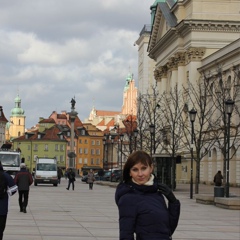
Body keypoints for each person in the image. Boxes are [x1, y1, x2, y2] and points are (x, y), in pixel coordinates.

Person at [115, 150, 180, 240]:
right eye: (135, 170)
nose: (140, 174)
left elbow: (167, 229)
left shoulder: (156, 194)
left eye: (144, 168)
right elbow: (126, 235)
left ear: (151, 168)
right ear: (130, 172)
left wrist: (173, 202)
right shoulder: (128, 198)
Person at [0, 162, 18, 240]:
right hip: (2, 207)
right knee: (1, 228)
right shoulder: (6, 176)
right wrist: (7, 193)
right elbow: (14, 188)